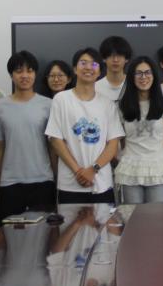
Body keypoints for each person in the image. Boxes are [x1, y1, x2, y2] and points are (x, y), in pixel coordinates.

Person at [46, 47, 123, 204]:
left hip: (102, 183)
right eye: (83, 63)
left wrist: (93, 169)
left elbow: (113, 143)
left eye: (94, 64)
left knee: (103, 220)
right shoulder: (61, 99)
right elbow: (55, 139)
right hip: (70, 183)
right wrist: (78, 171)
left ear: (99, 71)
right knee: (69, 220)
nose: (88, 67)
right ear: (75, 69)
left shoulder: (107, 104)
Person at [0, 50, 56, 216]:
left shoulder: (48, 105)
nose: (24, 76)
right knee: (10, 230)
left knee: (44, 229)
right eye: (19, 71)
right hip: (9, 182)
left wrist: (56, 178)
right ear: (11, 75)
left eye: (30, 71)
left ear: (35, 74)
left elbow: (53, 147)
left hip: (43, 179)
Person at [115, 57, 163, 204]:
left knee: (157, 215)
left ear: (154, 76)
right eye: (138, 73)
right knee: (132, 215)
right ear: (131, 77)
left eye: (148, 72)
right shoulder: (121, 106)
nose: (143, 77)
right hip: (130, 168)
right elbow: (121, 141)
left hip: (158, 168)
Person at [94, 36, 132, 103]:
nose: (115, 60)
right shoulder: (95, 88)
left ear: (126, 59)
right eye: (111, 55)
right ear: (104, 59)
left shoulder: (133, 85)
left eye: (119, 55)